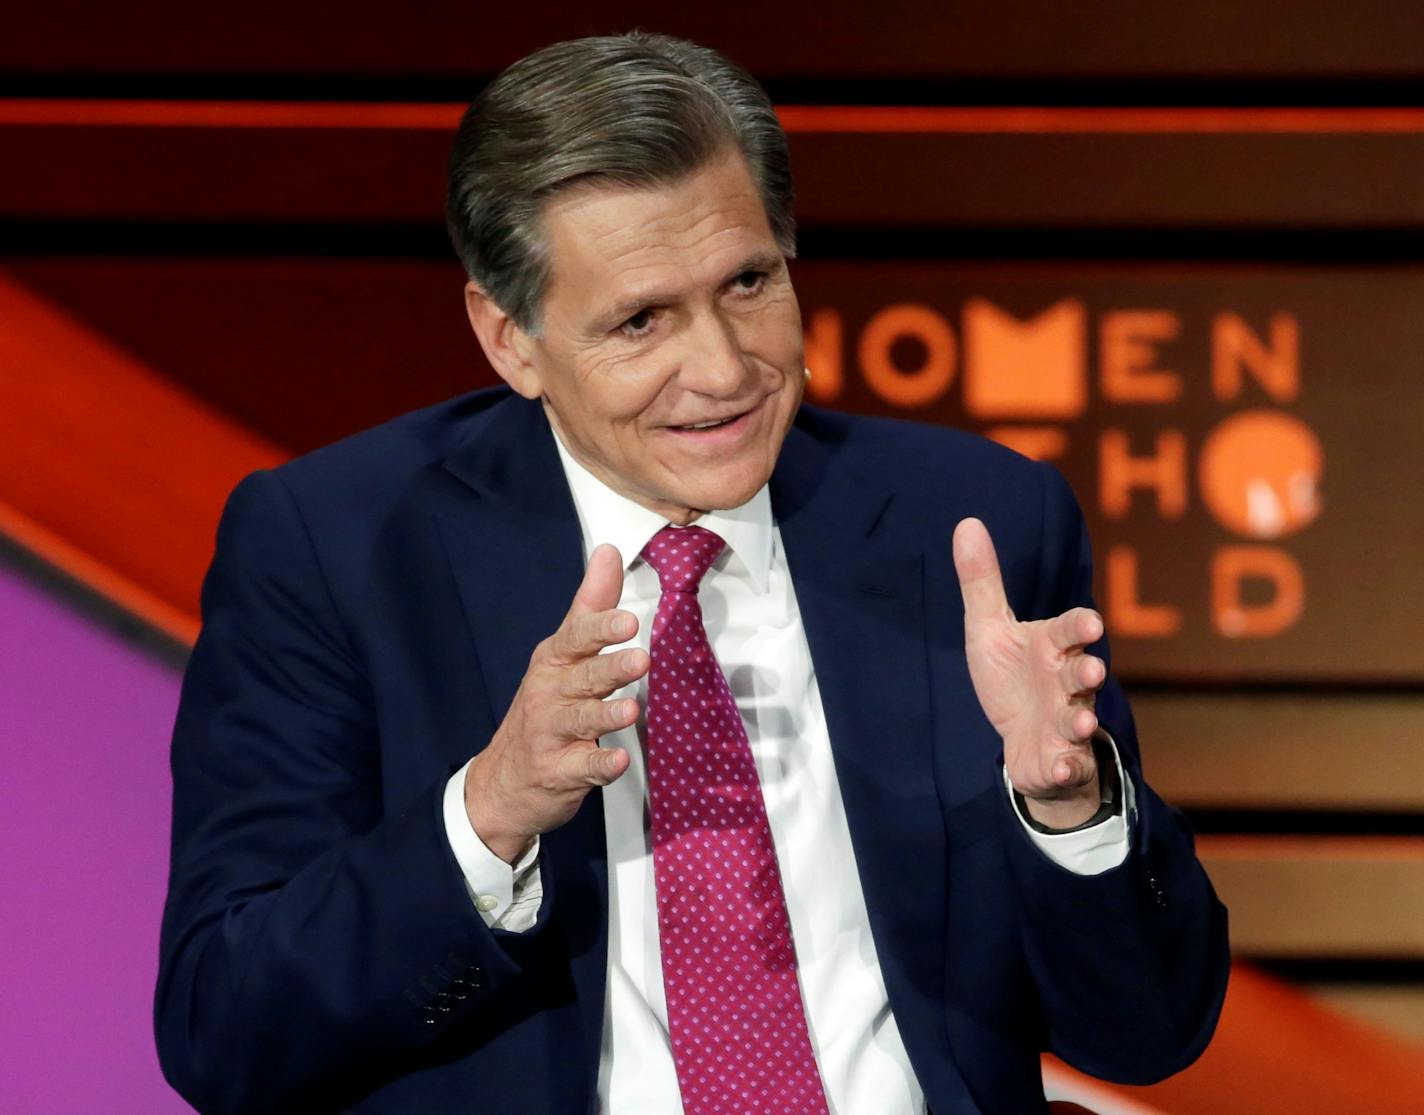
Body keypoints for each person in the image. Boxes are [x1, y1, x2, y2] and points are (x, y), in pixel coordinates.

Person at [155, 31, 1228, 1115]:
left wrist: (1070, 809)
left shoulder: (970, 527)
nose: (723, 370)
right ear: (508, 339)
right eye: (639, 320)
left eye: (748, 281)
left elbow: (1146, 1030)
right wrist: (491, 809)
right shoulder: (334, 547)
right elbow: (225, 1027)